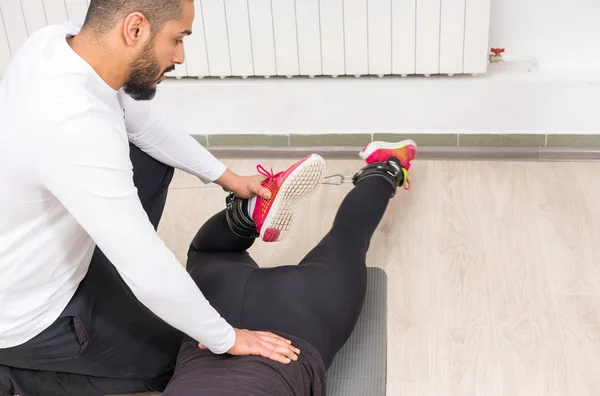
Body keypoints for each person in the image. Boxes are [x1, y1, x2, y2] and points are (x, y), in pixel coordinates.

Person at [0, 0, 298, 394]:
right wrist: (229, 338)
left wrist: (229, 179)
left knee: (150, 160)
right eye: (177, 39)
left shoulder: (56, 43)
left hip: (51, 255)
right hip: (28, 315)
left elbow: (144, 123)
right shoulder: (73, 124)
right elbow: (145, 264)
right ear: (135, 29)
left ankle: (110, 290)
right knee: (179, 356)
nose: (180, 56)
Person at [160, 140, 417, 395]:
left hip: (301, 323)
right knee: (210, 253)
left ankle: (386, 166)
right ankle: (246, 213)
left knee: (348, 237)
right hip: (216, 311)